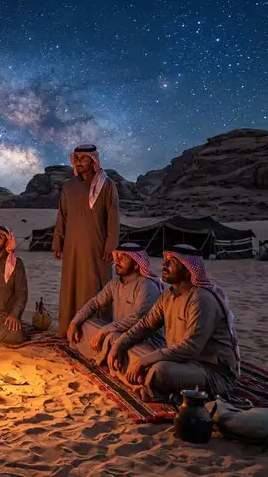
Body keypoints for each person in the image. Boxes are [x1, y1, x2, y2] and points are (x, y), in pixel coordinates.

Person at [106, 244, 241, 401]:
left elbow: (190, 348)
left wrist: (145, 361)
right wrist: (119, 344)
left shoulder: (201, 299)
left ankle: (158, 389)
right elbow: (145, 325)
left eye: (172, 261)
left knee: (159, 370)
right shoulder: (168, 295)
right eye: (165, 260)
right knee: (125, 348)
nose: (164, 265)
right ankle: (155, 386)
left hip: (210, 370)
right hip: (179, 361)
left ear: (188, 268)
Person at [53, 144, 120, 338]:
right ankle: (68, 329)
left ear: (94, 161)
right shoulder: (69, 186)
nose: (79, 162)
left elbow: (113, 218)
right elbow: (62, 216)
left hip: (97, 247)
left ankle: (94, 334)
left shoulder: (106, 185)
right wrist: (58, 241)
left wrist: (111, 245)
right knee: (71, 286)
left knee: (95, 286)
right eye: (77, 158)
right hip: (72, 246)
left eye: (83, 158)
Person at [66, 243, 163, 355]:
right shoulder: (115, 284)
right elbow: (95, 303)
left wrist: (105, 330)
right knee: (85, 323)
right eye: (117, 257)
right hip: (118, 332)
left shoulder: (147, 286)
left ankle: (103, 358)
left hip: (144, 340)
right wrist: (74, 322)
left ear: (136, 265)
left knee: (112, 337)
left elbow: (138, 318)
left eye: (123, 258)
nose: (117, 262)